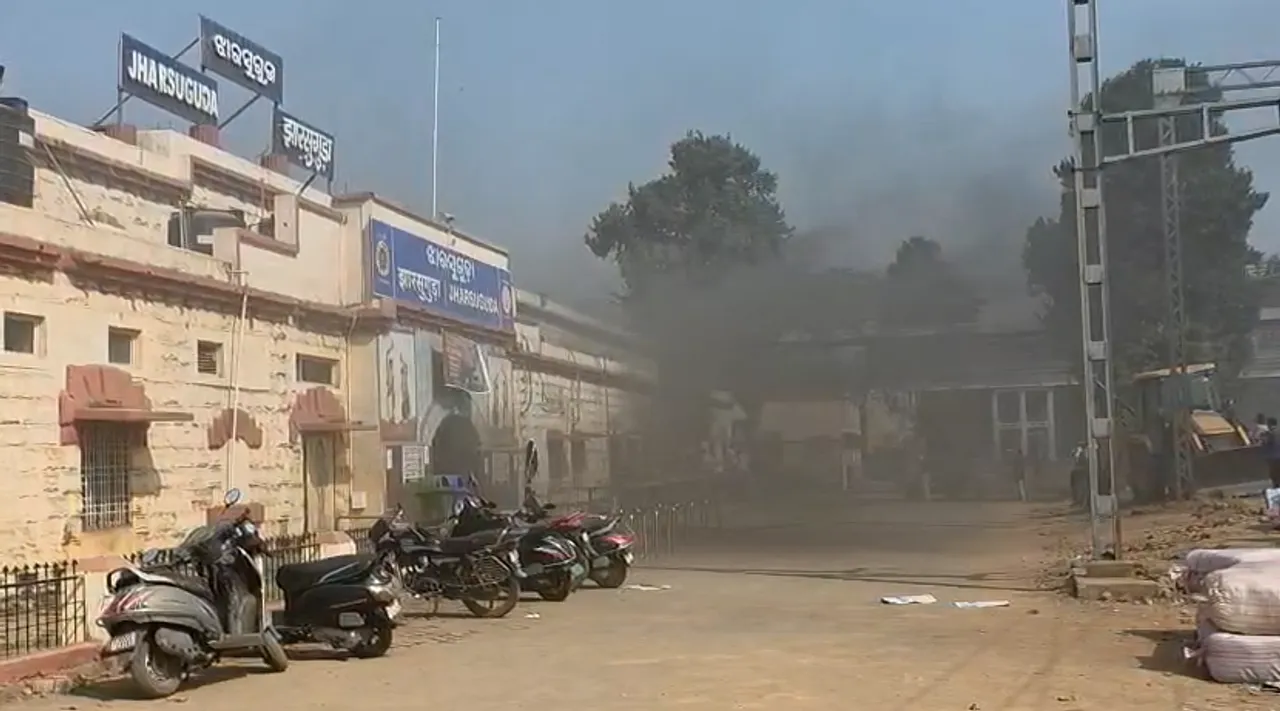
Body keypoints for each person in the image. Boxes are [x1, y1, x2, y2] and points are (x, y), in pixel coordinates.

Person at [1265, 417, 1280, 488]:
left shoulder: (1270, 434)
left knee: (1274, 475)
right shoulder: (1278, 432)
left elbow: (1267, 443)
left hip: (1273, 457)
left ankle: (1276, 487)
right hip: (1277, 456)